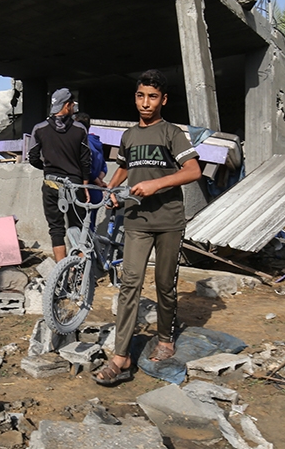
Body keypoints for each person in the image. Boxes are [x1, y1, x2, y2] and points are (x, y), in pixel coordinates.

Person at [94, 69, 201, 385]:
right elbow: (125, 168)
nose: (145, 102)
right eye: (141, 95)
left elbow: (193, 170)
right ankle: (121, 356)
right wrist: (112, 192)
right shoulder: (129, 136)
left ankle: (165, 338)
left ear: (163, 100)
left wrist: (157, 184)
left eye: (152, 97)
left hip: (168, 220)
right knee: (130, 285)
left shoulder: (172, 133)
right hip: (136, 220)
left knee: (165, 283)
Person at [27, 88, 91, 262]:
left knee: (56, 229)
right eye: (72, 105)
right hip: (75, 184)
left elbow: (32, 157)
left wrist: (48, 168)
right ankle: (79, 272)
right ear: (67, 105)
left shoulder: (39, 129)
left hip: (51, 184)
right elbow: (86, 161)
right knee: (77, 226)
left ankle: (61, 272)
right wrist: (84, 183)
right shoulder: (80, 129)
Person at [74, 111, 108, 224]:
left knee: (81, 228)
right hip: (96, 192)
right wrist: (100, 180)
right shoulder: (97, 142)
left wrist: (97, 180)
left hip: (85, 190)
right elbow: (104, 166)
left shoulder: (83, 143)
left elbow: (86, 165)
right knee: (91, 226)